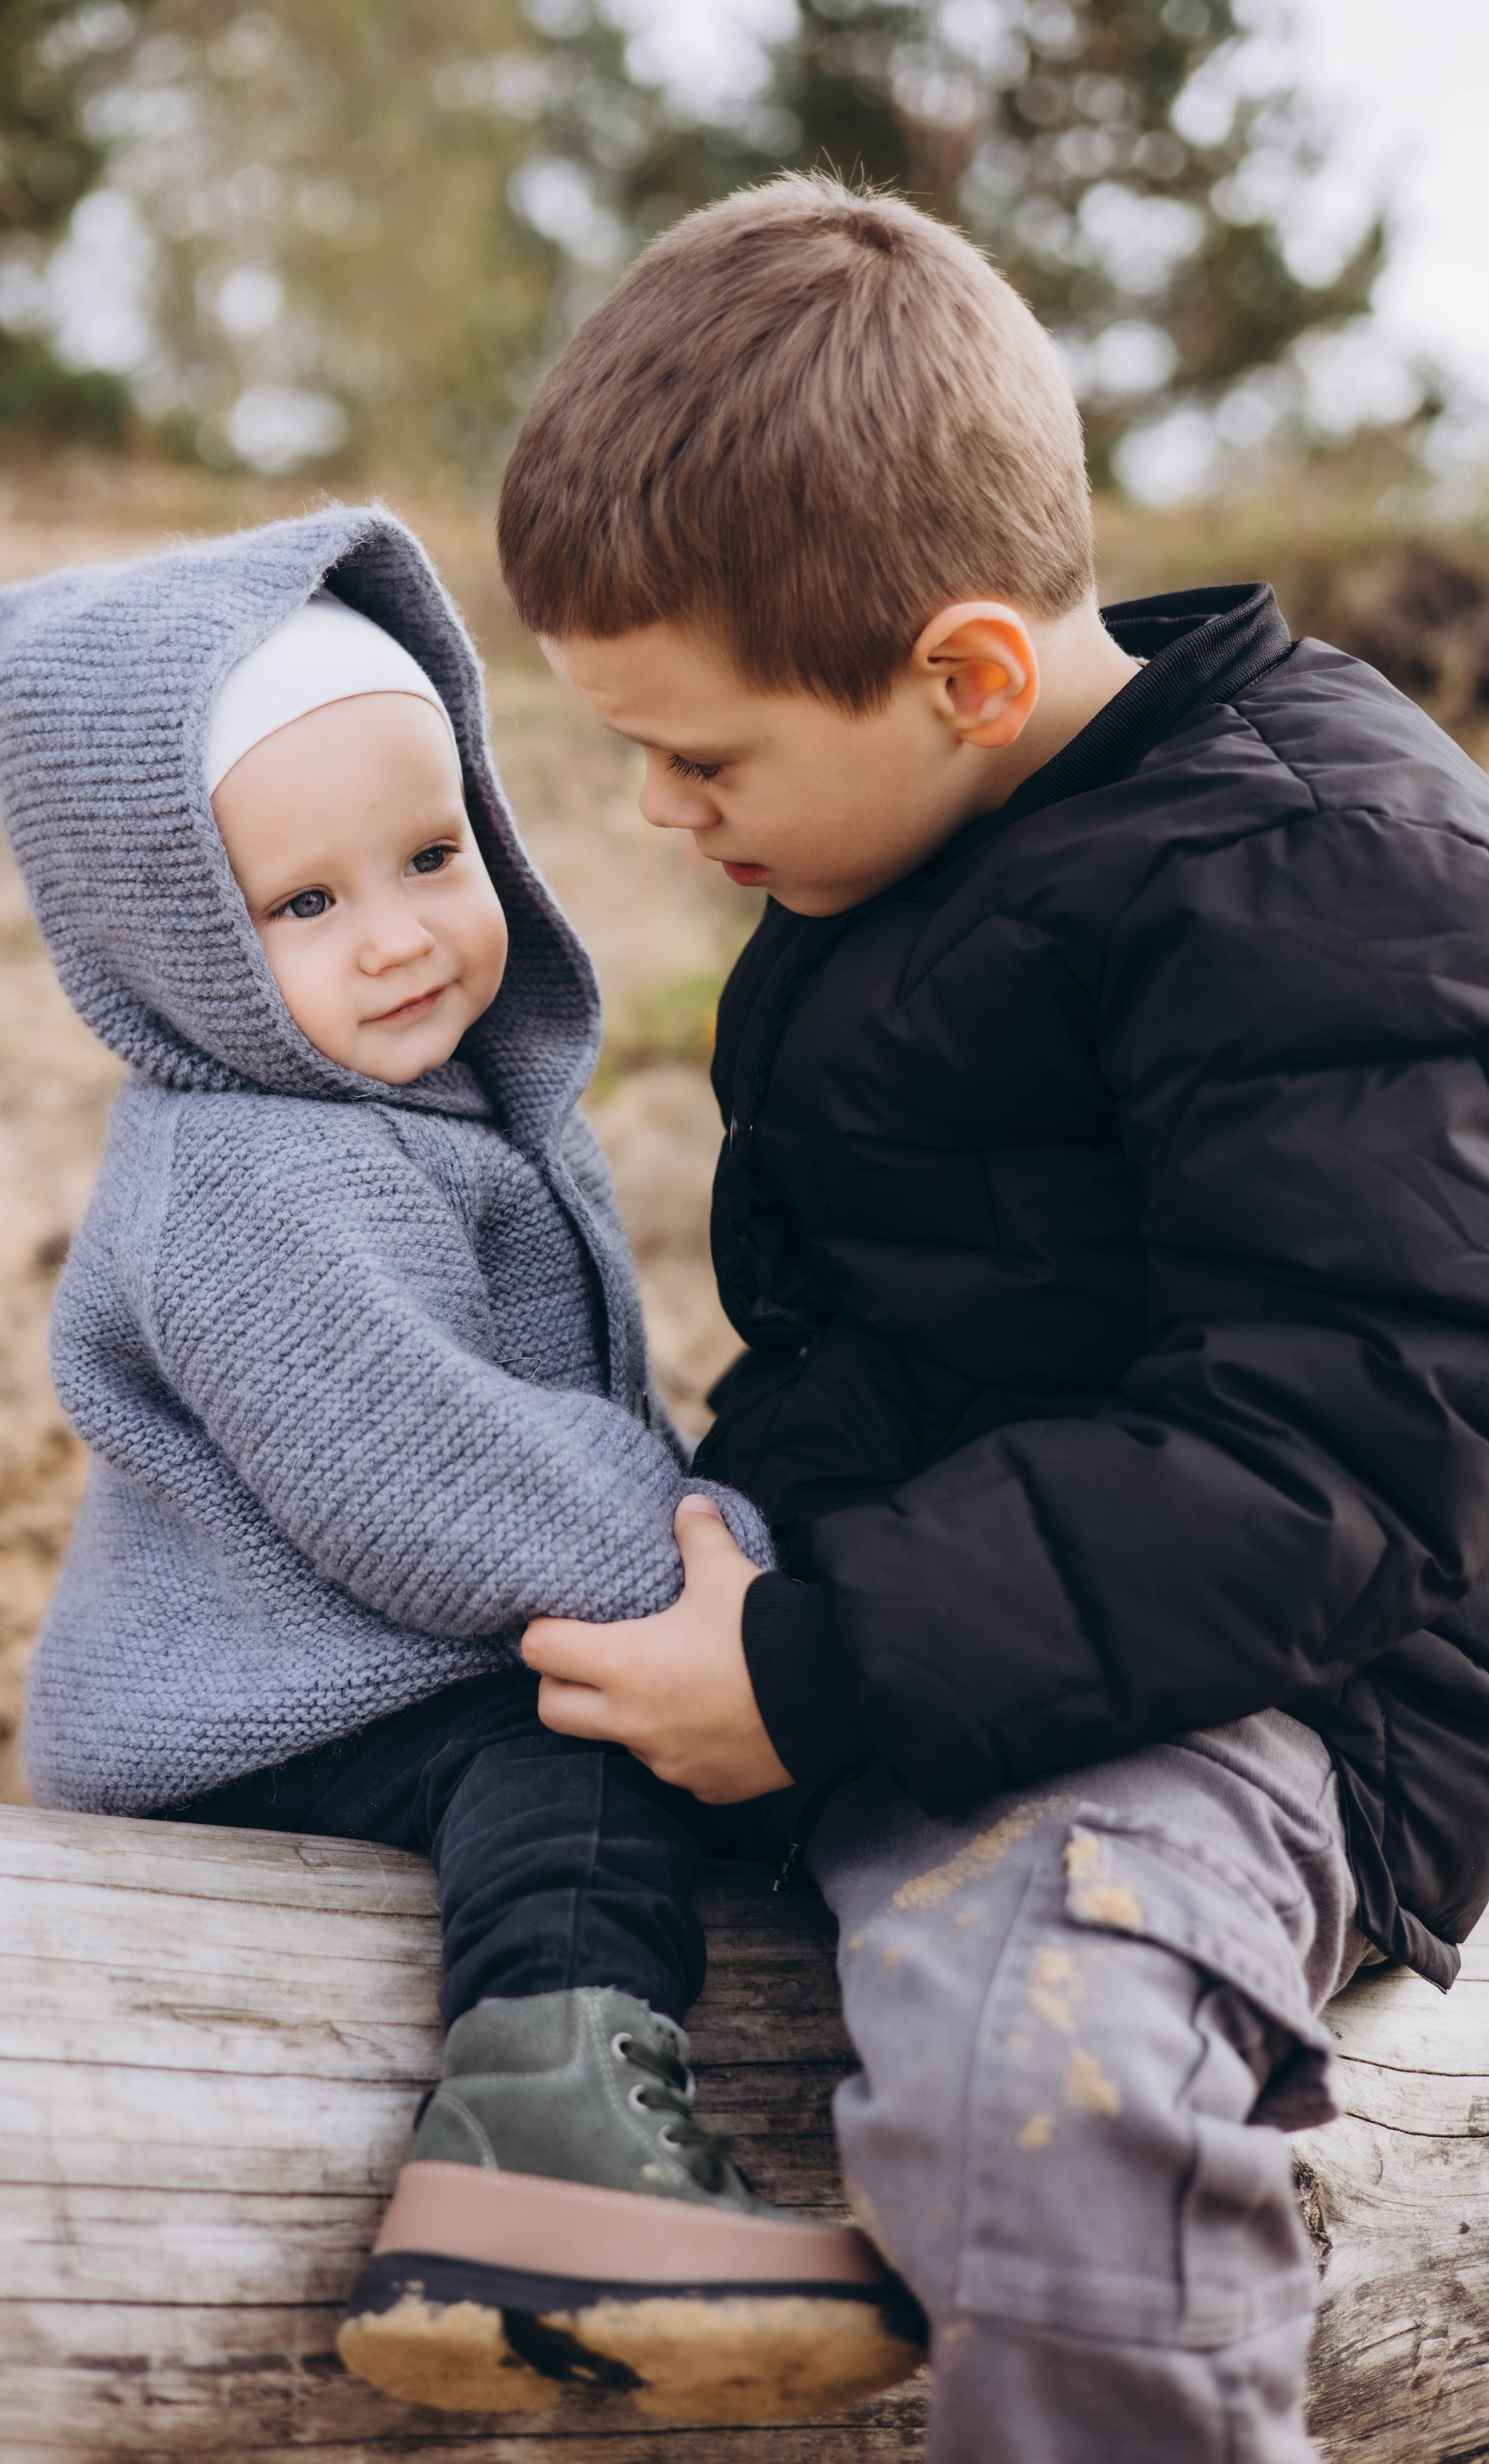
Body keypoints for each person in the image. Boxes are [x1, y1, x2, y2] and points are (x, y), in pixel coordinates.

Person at [497, 174, 1489, 2462]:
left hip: (1268, 1698)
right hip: (972, 1608)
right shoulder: (926, 831)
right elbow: (905, 1332)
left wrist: (825, 1664)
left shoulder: (1323, 882)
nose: (653, 815)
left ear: (967, 671)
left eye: (704, 758)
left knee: (1031, 2075)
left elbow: (1344, 1456)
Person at [0, 506, 927, 2425]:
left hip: (381, 1644)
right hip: (250, 1715)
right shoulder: (248, 1169)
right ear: (177, 942)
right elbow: (430, 1481)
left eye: (431, 852)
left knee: (627, 1728)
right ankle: (546, 2149)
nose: (399, 932)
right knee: (567, 1751)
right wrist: (715, 1561)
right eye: (302, 906)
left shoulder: (415, 1104)